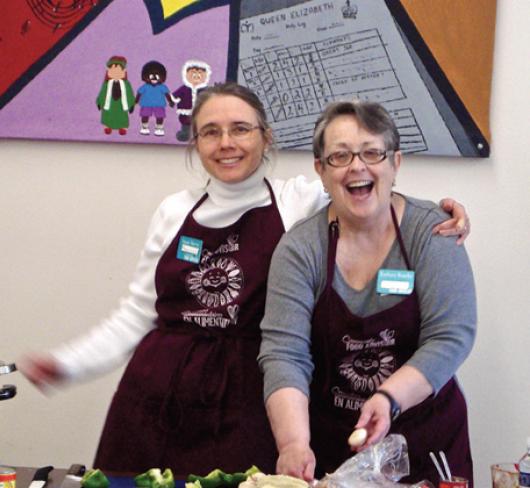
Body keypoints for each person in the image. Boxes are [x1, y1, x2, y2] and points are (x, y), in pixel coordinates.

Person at [18, 83, 470, 476]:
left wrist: (448, 213)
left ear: (266, 138)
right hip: (158, 397)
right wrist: (69, 363)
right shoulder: (174, 211)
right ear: (195, 143)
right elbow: (137, 315)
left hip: (246, 403)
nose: (226, 143)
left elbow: (368, 187)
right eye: (210, 132)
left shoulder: (298, 200)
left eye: (240, 129)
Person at [258, 100, 476, 485]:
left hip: (427, 440)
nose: (357, 166)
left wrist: (388, 398)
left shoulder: (433, 234)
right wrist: (293, 442)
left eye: (372, 152)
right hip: (334, 448)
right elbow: (284, 352)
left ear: (395, 163)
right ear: (320, 172)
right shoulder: (299, 250)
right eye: (340, 156)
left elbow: (451, 336)